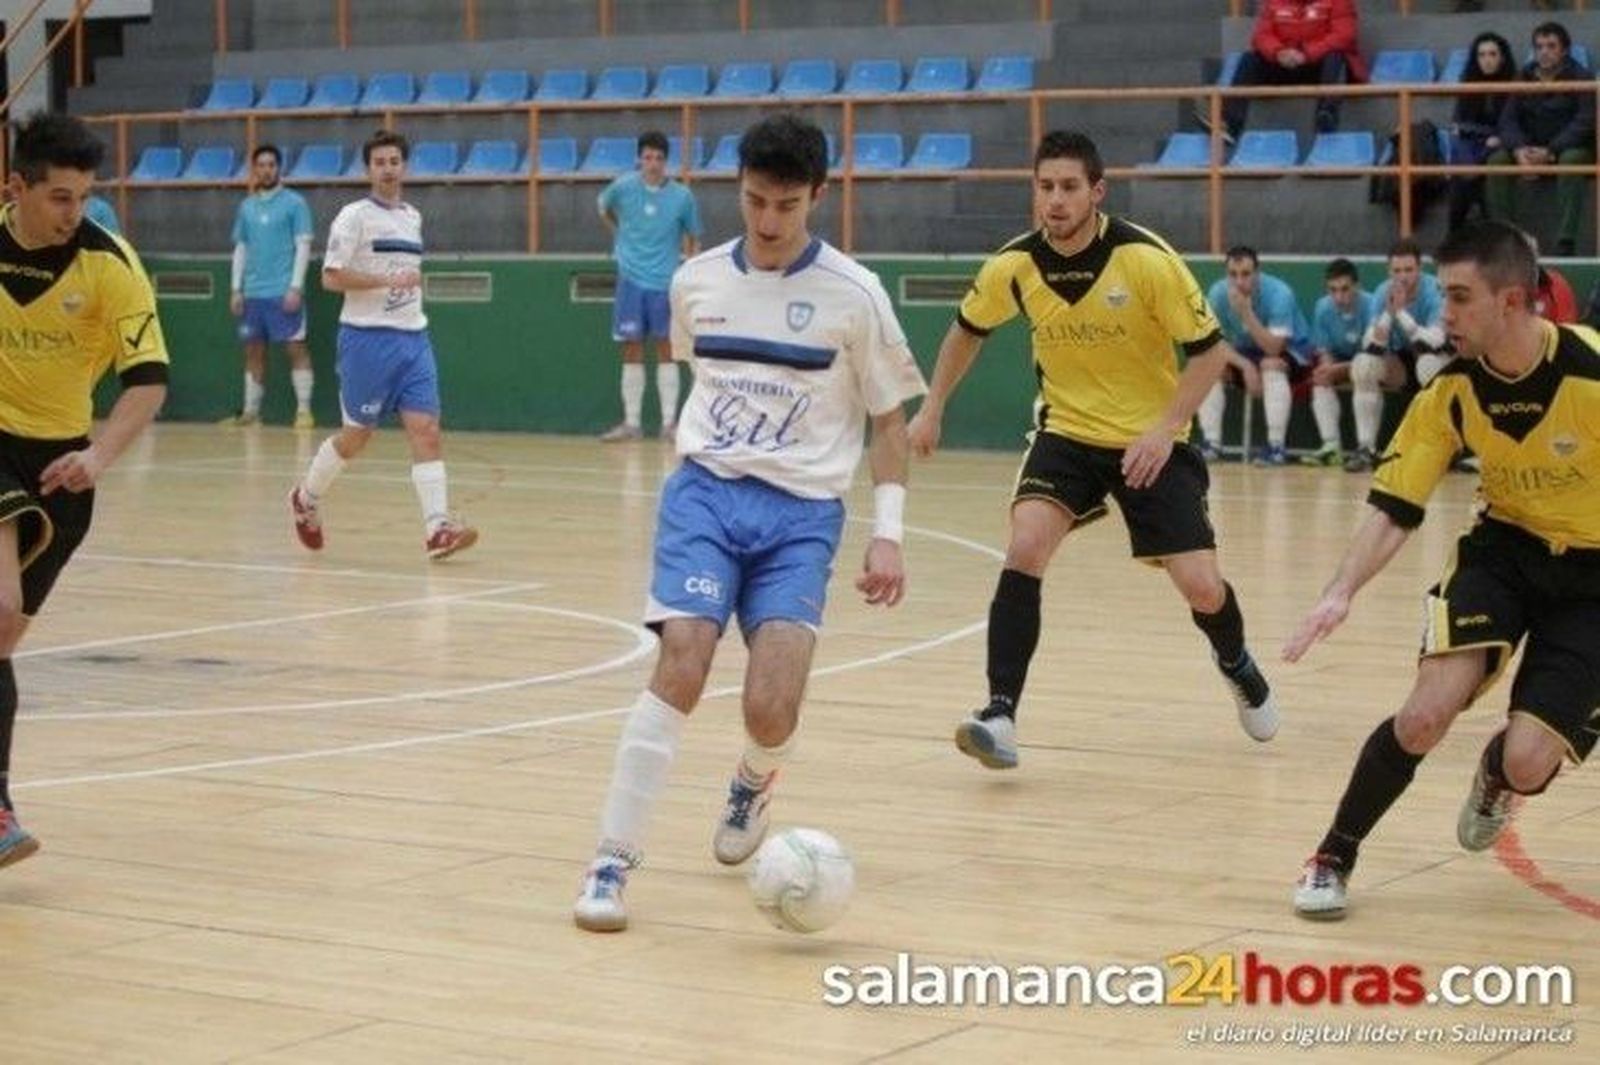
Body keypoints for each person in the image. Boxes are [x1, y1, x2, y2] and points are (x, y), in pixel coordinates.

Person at [572, 113, 926, 932]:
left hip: (802, 516)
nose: (768, 223)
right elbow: (700, 377)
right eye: (755, 201)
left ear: (818, 199)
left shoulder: (855, 294)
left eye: (787, 206)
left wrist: (889, 531)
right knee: (684, 661)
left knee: (771, 708)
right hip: (706, 495)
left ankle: (754, 777)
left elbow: (889, 421)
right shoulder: (696, 285)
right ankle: (610, 861)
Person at [907, 129, 1281, 779]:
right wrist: (934, 403)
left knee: (1200, 585)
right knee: (1025, 544)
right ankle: (1000, 713)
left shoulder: (1144, 259)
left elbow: (1209, 353)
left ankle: (1236, 662)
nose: (1055, 200)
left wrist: (1164, 427)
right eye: (1045, 187)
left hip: (1151, 440)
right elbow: (968, 331)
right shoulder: (1015, 266)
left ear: (1096, 191)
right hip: (1069, 433)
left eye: (1069, 187)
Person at [1286, 220, 1600, 921]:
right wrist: (1339, 592)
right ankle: (1333, 854)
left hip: (1592, 584)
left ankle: (1498, 775)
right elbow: (1396, 506)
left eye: (1458, 298)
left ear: (1512, 301)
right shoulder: (1450, 390)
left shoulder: (1592, 374)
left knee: (1526, 762)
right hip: (1504, 555)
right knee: (1426, 712)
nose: (1443, 313)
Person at [0, 112, 169, 868]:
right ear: (17, 188)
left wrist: (98, 457)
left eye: (84, 197)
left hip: (64, 466)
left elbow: (148, 381)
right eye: (60, 198)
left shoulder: (110, 263)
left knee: (0, 639)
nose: (76, 214)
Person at [288, 130, 477, 561]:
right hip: (365, 341)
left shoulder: (413, 216)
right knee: (356, 438)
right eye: (380, 162)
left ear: (404, 166)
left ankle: (437, 530)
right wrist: (384, 281)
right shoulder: (353, 217)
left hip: (414, 338)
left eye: (395, 161)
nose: (388, 168)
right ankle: (306, 497)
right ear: (368, 169)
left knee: (426, 431)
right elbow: (330, 277)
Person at [596, 130, 702, 442]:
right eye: (647, 157)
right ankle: (632, 424)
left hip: (666, 282)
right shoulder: (623, 187)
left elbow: (695, 235)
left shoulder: (682, 197)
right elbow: (604, 208)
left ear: (665, 162)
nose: (652, 163)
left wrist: (689, 270)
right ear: (639, 159)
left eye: (658, 158)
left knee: (667, 349)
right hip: (630, 280)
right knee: (631, 349)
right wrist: (621, 235)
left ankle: (669, 425)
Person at [221, 145, 316, 429]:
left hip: (283, 293)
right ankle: (251, 413)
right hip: (252, 295)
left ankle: (303, 411)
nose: (266, 170)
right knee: (253, 352)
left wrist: (295, 288)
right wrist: (236, 289)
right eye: (261, 165)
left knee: (295, 348)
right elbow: (241, 248)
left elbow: (303, 246)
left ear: (279, 168)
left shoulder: (295, 204)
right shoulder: (246, 206)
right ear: (254, 170)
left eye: (271, 164)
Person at [1485, 21, 1595, 256]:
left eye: (1551, 46)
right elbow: (1507, 121)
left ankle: (1566, 242)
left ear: (1564, 50)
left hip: (1567, 149)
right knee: (1497, 161)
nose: (1544, 51)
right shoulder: (1522, 77)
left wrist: (1551, 150)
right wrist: (1519, 150)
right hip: (1529, 148)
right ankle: (1506, 237)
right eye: (1539, 46)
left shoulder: (1582, 77)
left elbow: (1585, 122)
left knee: (1573, 159)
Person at [1200, 246, 1314, 466]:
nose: (1239, 282)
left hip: (1291, 353)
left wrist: (1246, 313)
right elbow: (1214, 343)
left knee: (1270, 364)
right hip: (1247, 355)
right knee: (1210, 366)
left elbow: (1274, 348)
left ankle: (1276, 447)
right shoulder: (1217, 293)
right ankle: (1211, 444)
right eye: (1233, 275)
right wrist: (1244, 366)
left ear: (1257, 273)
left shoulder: (1280, 293)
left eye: (1245, 274)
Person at [1343, 239, 1449, 472]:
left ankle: (1440, 449)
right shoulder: (1383, 292)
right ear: (1389, 271)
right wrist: (1388, 313)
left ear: (1420, 269)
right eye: (1397, 271)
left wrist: (1400, 313)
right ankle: (1366, 448)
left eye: (1409, 270)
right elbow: (1371, 344)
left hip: (1441, 362)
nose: (1402, 277)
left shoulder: (1435, 289)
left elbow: (1432, 342)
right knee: (1363, 365)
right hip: (1402, 363)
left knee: (1428, 365)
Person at [1218, 0, 1366, 143]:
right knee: (1250, 59)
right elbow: (1261, 36)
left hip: (1321, 65)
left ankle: (1326, 115)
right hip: (1287, 63)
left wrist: (1307, 54)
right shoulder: (1274, 2)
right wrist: (1279, 52)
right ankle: (1229, 124)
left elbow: (1344, 36)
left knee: (1335, 56)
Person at [1304, 258, 1376, 466]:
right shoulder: (1322, 308)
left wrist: (1338, 369)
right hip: (1340, 362)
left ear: (1357, 286)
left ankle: (1366, 447)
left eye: (1345, 289)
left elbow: (1374, 353)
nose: (1339, 296)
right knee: (1320, 378)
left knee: (1365, 370)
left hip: (1373, 362)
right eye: (1333, 290)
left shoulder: (1371, 305)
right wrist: (1327, 369)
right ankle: (1331, 447)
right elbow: (1324, 349)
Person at [1446, 32, 1514, 232]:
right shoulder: (1467, 85)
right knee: (1461, 175)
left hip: (1498, 146)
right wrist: (1469, 163)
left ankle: (1489, 238)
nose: (1487, 60)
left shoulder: (1516, 85)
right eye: (1481, 55)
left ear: (1502, 58)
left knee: (1480, 172)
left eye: (1493, 54)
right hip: (1471, 150)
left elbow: (1513, 127)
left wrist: (1497, 140)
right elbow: (1457, 127)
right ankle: (1456, 238)